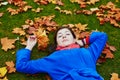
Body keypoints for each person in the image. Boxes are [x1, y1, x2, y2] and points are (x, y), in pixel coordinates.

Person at [16, 27, 108, 80]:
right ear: (57, 44)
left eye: (67, 34)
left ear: (74, 38)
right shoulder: (51, 59)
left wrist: (82, 42)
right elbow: (21, 65)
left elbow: (102, 36)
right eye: (59, 36)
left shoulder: (88, 52)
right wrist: (29, 47)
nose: (63, 36)